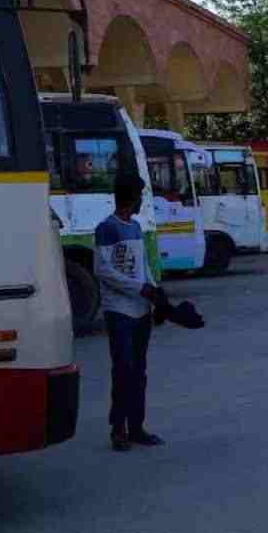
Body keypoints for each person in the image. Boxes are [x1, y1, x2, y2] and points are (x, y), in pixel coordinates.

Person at [94, 173, 163, 452]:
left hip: (141, 311)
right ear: (130, 198)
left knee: (139, 372)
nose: (141, 202)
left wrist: (155, 294)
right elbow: (104, 271)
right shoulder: (106, 229)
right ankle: (118, 430)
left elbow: (144, 266)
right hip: (119, 311)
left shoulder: (135, 228)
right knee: (123, 370)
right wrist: (139, 288)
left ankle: (137, 427)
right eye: (140, 196)